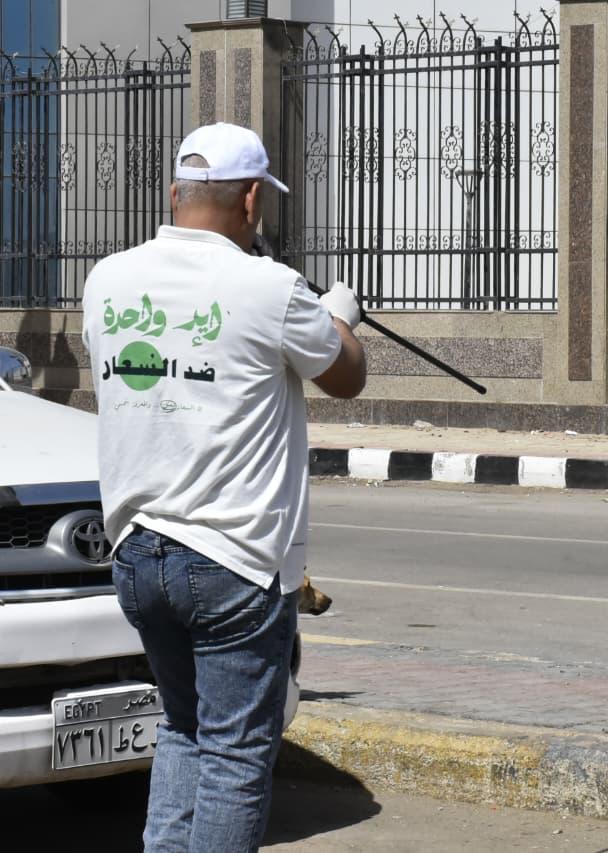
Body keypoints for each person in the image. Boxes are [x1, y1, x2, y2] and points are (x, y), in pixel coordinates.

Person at [81, 122, 366, 852]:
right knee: (236, 754)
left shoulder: (105, 280)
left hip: (138, 553)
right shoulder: (271, 288)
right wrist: (340, 314)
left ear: (175, 194)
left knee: (182, 729)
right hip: (234, 560)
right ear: (250, 199)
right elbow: (345, 375)